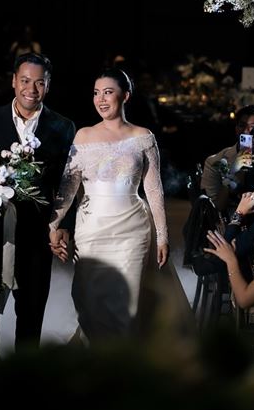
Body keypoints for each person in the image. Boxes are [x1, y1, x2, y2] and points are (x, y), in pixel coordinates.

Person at [48, 68, 191, 342]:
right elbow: (68, 188)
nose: (101, 99)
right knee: (89, 301)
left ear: (125, 96)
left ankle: (123, 359)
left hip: (132, 230)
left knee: (128, 304)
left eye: (108, 92)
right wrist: (53, 225)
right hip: (91, 230)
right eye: (96, 93)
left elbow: (154, 190)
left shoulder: (143, 137)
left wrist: (162, 236)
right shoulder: (83, 136)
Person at [0, 53, 75, 366]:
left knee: (32, 303)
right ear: (14, 81)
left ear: (48, 86)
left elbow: (69, 184)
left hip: (36, 231)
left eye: (39, 83)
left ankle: (25, 371)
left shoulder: (63, 127)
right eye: (25, 81)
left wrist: (62, 225)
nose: (32, 89)